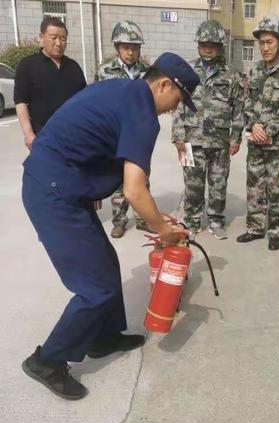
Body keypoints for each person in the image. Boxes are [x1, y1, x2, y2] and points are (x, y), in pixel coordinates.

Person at [21, 53, 199, 400]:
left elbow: (84, 135)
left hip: (61, 184)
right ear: (164, 84)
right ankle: (46, 361)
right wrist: (163, 229)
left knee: (105, 264)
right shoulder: (143, 114)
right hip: (53, 192)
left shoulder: (122, 90)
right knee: (94, 288)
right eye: (178, 100)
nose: (174, 109)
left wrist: (89, 181)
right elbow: (134, 189)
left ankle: (103, 337)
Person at [172, 20, 244, 239]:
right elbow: (177, 103)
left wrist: (236, 137)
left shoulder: (231, 75)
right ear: (198, 44)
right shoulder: (187, 71)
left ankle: (215, 219)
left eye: (212, 43)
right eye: (204, 43)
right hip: (190, 139)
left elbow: (238, 108)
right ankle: (192, 220)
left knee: (218, 183)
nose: (208, 47)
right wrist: (177, 137)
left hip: (219, 141)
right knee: (191, 184)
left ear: (220, 45)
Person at [237, 14, 279, 251]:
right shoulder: (254, 71)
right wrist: (254, 125)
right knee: (254, 185)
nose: (265, 47)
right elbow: (247, 102)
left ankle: (275, 231)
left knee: (277, 188)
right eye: (261, 43)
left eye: (269, 42)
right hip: (256, 141)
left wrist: (268, 129)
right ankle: (255, 228)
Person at [96, 20, 151, 238]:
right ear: (117, 47)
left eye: (135, 47)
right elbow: (97, 102)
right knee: (118, 176)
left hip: (138, 133)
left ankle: (143, 217)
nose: (131, 52)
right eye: (126, 47)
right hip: (114, 134)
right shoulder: (105, 71)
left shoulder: (147, 73)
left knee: (141, 176)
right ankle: (119, 219)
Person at [14, 16, 86, 150]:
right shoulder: (28, 65)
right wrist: (28, 133)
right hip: (42, 134)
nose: (59, 43)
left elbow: (84, 100)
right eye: (53, 38)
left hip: (73, 135)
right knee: (45, 170)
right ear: (41, 37)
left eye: (63, 38)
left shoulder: (73, 66)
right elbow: (20, 101)